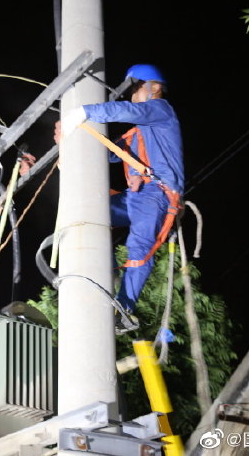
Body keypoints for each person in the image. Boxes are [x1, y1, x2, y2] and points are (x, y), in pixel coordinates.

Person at [61, 64, 184, 314]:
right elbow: (107, 153)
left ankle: (124, 308)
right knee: (90, 213)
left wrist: (85, 111)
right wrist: (70, 146)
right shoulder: (138, 134)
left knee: (139, 247)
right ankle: (105, 273)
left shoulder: (162, 110)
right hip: (136, 197)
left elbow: (126, 110)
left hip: (157, 195)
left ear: (154, 88)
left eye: (135, 88)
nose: (132, 95)